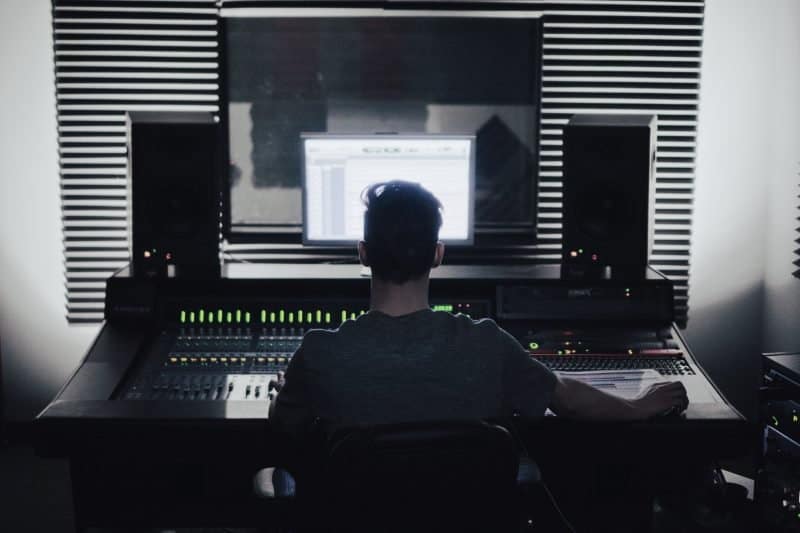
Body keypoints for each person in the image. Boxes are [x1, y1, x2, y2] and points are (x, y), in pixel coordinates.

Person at [271, 180, 688, 438]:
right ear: (438, 254)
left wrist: (283, 393)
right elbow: (568, 401)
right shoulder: (487, 344)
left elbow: (284, 425)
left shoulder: (319, 353)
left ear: (363, 253)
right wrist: (638, 405)